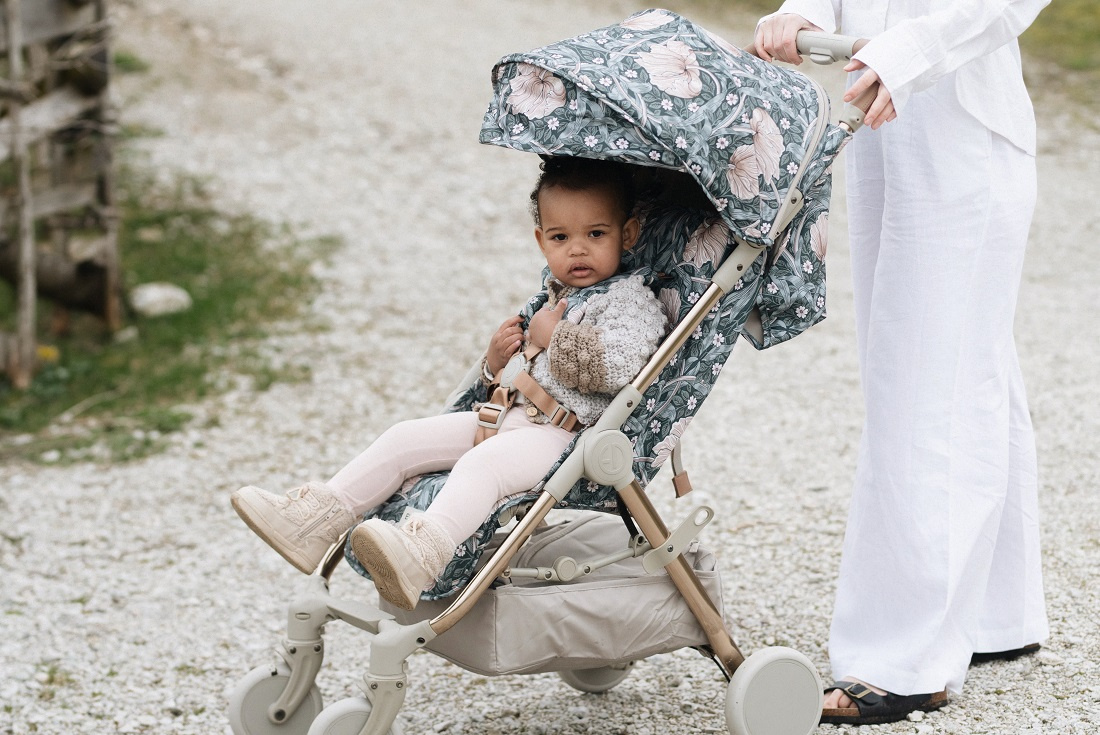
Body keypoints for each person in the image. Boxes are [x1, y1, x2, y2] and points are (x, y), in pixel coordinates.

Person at [754, 0, 1051, 726]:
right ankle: (998, 612)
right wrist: (804, 10)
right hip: (885, 131)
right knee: (963, 362)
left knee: (924, 385)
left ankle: (904, 659)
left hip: (965, 138)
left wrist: (909, 51)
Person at [231, 156, 668, 611]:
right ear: (541, 241)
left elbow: (619, 368)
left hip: (564, 438)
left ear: (627, 235)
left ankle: (422, 555)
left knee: (483, 465)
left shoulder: (630, 301)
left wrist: (554, 337)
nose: (577, 250)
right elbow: (525, 371)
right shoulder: (553, 295)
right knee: (404, 438)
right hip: (511, 416)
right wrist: (496, 365)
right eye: (561, 238)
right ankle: (316, 521)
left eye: (595, 234)